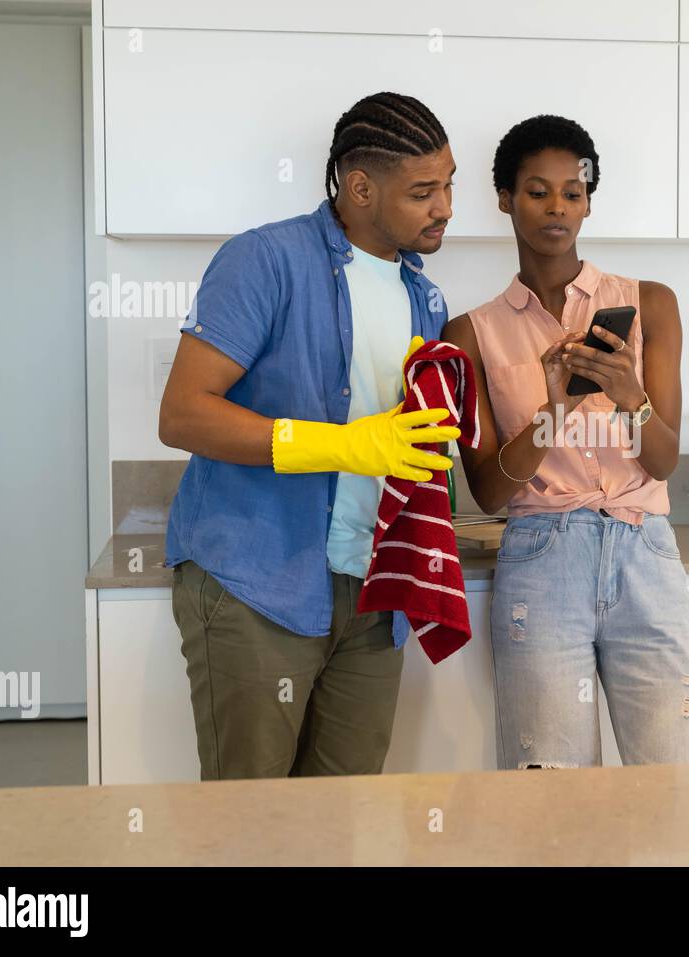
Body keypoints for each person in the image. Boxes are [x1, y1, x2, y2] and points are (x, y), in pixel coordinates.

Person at [158, 92, 460, 780]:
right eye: (423, 191)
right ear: (359, 187)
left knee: (343, 822)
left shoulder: (425, 295)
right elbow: (182, 414)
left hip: (375, 592)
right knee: (252, 824)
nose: (445, 206)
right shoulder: (263, 261)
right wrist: (342, 444)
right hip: (257, 581)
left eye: (448, 185)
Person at [443, 115, 689, 769]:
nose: (557, 208)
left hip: (645, 552)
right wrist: (552, 410)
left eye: (572, 192)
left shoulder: (652, 303)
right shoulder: (470, 333)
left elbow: (664, 459)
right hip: (541, 560)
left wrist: (629, 396)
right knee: (549, 793)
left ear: (588, 200)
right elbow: (488, 489)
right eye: (537, 191)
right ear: (504, 198)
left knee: (670, 776)